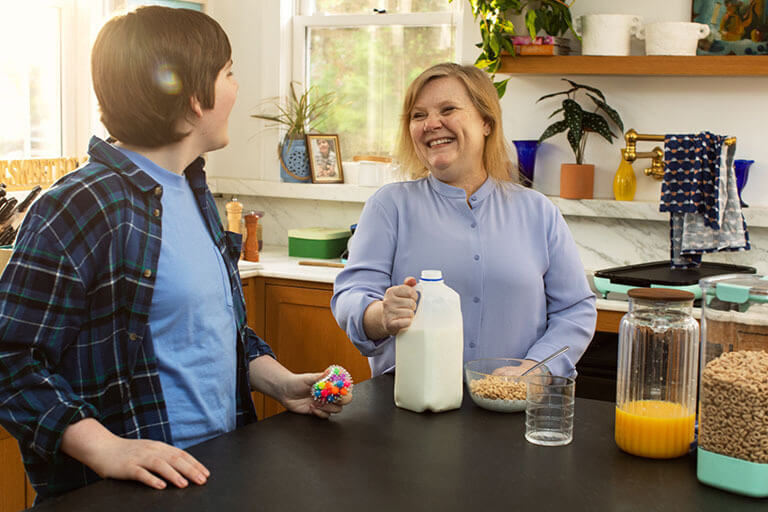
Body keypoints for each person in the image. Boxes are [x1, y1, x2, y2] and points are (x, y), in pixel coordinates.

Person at [0, 6, 350, 503]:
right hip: (124, 495)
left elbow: (209, 328)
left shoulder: (193, 190)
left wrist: (281, 383)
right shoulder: (79, 205)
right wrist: (106, 448)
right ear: (192, 101)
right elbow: (10, 358)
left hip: (215, 474)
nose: (236, 86)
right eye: (228, 73)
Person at [331, 62, 596, 378]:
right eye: (419, 115)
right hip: (410, 410)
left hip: (510, 408)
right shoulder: (389, 206)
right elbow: (351, 296)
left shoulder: (538, 211)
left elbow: (574, 310)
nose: (431, 123)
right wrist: (380, 315)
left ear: (486, 121)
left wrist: (534, 370)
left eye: (447, 109)